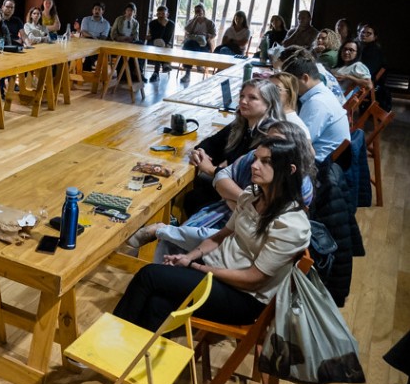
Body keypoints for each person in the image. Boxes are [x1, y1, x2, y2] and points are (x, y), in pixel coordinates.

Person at [113, 137, 311, 333]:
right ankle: (130, 360)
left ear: (289, 170)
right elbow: (221, 236)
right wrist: (188, 257)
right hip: (215, 273)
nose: (255, 166)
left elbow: (254, 279)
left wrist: (196, 266)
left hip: (244, 297)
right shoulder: (252, 195)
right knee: (157, 304)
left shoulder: (291, 225)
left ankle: (104, 346)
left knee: (149, 275)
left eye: (266, 161)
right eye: (256, 158)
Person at [130, 121, 314, 261]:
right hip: (232, 220)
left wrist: (233, 198)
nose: (269, 146)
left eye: (277, 143)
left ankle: (161, 232)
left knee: (184, 236)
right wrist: (239, 200)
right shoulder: (254, 155)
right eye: (267, 140)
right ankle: (164, 270)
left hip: (248, 246)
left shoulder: (300, 186)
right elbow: (222, 176)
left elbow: (256, 221)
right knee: (177, 238)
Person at [184, 79, 284, 216]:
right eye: (242, 96)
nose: (243, 101)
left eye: (252, 98)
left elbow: (248, 176)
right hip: (230, 190)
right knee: (194, 195)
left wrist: (210, 169)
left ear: (269, 104)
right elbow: (212, 144)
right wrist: (200, 152)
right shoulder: (241, 125)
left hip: (250, 202)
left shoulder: (272, 135)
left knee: (195, 197)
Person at [280, 53, 349, 164]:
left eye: (292, 83)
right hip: (323, 156)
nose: (290, 88)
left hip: (321, 164)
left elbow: (299, 141)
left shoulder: (317, 103)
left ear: (305, 78)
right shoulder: (321, 93)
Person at [268, 71, 311, 137]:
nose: (270, 92)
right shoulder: (270, 116)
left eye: (276, 89)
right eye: (268, 88)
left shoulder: (295, 125)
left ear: (290, 93)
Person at [181, 4, 217, 77]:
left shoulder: (209, 23)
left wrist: (206, 35)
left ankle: (187, 73)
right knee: (191, 44)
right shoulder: (192, 21)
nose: (197, 13)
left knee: (188, 46)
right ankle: (198, 63)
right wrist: (194, 20)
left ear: (203, 11)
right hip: (192, 43)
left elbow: (214, 34)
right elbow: (187, 29)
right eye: (196, 11)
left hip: (204, 45)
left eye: (199, 11)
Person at [145, 5, 175, 82]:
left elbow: (167, 39)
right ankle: (165, 63)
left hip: (165, 44)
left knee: (160, 45)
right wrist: (163, 26)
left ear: (167, 15)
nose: (161, 16)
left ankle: (156, 72)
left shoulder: (171, 24)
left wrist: (164, 26)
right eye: (159, 14)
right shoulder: (152, 23)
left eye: (163, 14)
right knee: (159, 43)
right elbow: (155, 36)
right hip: (154, 43)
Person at [79, 2, 111, 70]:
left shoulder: (106, 23)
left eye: (99, 9)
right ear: (92, 10)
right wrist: (93, 37)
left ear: (103, 11)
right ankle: (93, 63)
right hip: (85, 42)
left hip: (98, 44)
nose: (97, 11)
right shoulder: (86, 19)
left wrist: (94, 39)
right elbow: (83, 32)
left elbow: (103, 38)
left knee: (96, 48)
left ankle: (88, 67)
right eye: (95, 9)